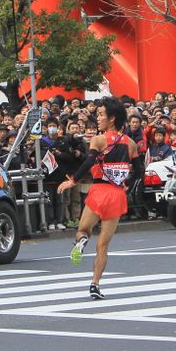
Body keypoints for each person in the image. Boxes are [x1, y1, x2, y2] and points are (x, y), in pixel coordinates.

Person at [57, 97, 138, 299]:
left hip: (99, 191)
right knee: (103, 245)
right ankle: (95, 284)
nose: (98, 119)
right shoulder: (131, 143)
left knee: (83, 230)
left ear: (112, 119)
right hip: (117, 194)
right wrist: (127, 182)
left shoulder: (99, 140)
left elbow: (89, 161)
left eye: (101, 115)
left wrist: (73, 180)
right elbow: (139, 170)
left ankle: (82, 241)